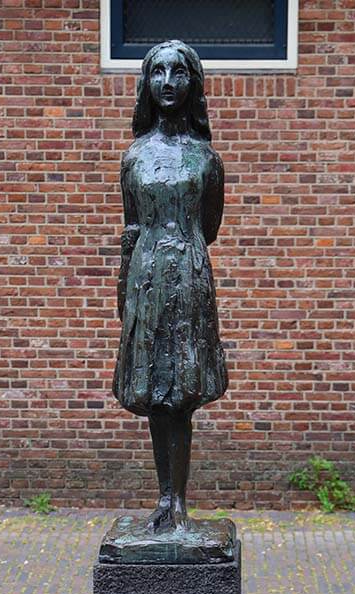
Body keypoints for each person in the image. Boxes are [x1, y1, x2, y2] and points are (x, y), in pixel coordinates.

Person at [113, 40, 228, 532]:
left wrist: (179, 251)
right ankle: (164, 498)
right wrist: (127, 282)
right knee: (156, 392)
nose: (166, 82)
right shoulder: (134, 156)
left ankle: (178, 502)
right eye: (157, 72)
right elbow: (132, 224)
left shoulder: (205, 158)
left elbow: (211, 226)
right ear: (146, 82)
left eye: (177, 73)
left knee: (181, 389)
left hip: (187, 277)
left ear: (192, 83)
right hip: (145, 279)